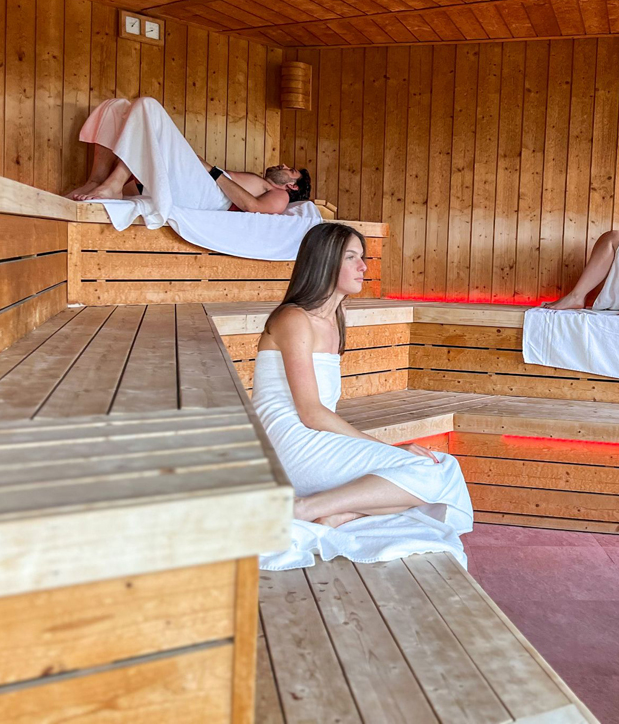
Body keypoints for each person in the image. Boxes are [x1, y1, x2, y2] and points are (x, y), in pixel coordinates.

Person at [252, 223, 472, 559]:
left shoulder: (334, 320)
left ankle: (339, 514)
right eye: (351, 257)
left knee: (444, 466)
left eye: (362, 257)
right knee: (430, 472)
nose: (364, 267)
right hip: (289, 445)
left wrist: (390, 453)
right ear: (325, 262)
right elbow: (311, 412)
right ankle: (304, 508)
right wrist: (388, 448)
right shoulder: (293, 319)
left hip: (314, 441)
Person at [65, 96, 311, 218]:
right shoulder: (261, 182)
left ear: (292, 186)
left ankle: (114, 184)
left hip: (211, 196)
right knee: (116, 106)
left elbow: (254, 207)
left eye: (290, 170)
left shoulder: (280, 196)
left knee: (149, 106)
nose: (283, 165)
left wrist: (212, 171)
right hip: (201, 183)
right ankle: (97, 180)